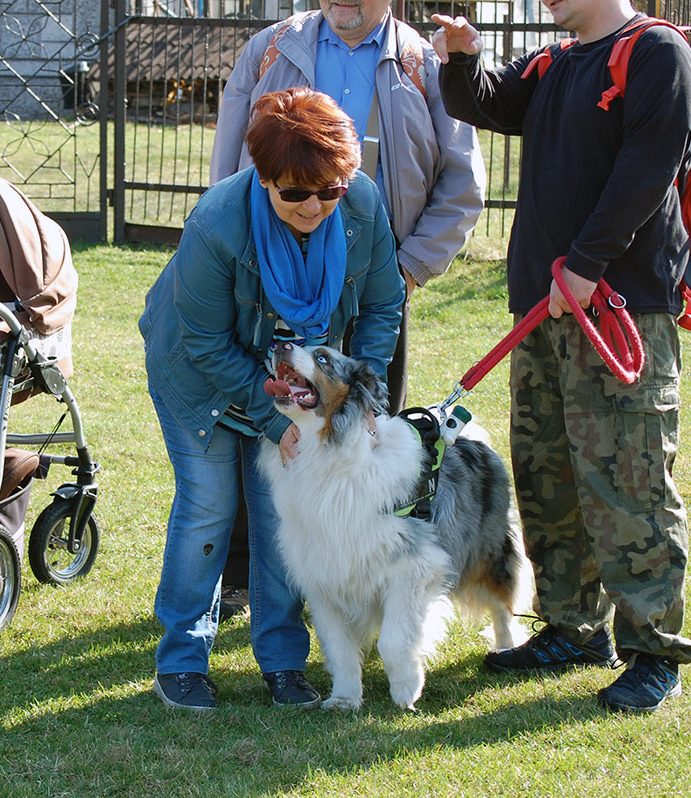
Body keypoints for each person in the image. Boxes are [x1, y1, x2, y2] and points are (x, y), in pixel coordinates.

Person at [431, 0, 691, 713]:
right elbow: (485, 103)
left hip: (615, 308)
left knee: (628, 480)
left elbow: (648, 168)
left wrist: (585, 263)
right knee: (547, 474)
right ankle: (573, 629)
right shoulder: (557, 61)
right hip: (544, 311)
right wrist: (463, 58)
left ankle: (654, 651)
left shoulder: (655, 54)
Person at [210, 0, 486, 621]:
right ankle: (245, 578)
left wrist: (407, 267)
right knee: (267, 426)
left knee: (363, 435)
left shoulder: (422, 63)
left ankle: (359, 569)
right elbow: (228, 168)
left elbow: (463, 182)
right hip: (275, 285)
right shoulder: (271, 49)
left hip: (373, 290)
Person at [140, 87, 404, 711]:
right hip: (199, 376)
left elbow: (382, 305)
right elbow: (206, 343)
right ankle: (181, 659)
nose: (314, 205)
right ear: (264, 179)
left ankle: (283, 661)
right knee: (209, 506)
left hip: (295, 385)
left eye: (329, 191)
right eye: (295, 192)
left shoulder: (361, 204)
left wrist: (362, 397)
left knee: (283, 514)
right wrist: (270, 417)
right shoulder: (217, 225)